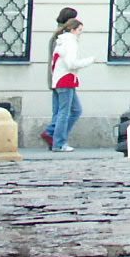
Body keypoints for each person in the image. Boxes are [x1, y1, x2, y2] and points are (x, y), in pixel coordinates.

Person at [48, 17, 93, 152]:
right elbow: (71, 63)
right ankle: (59, 142)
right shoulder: (71, 42)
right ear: (72, 30)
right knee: (65, 112)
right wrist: (89, 61)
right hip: (66, 80)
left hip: (58, 80)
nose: (80, 33)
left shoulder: (61, 41)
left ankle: (57, 139)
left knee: (69, 111)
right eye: (79, 30)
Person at [39, 8, 77, 150]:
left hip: (56, 78)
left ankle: (54, 137)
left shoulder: (56, 35)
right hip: (63, 78)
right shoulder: (64, 37)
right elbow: (66, 60)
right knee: (66, 111)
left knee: (62, 110)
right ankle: (56, 138)